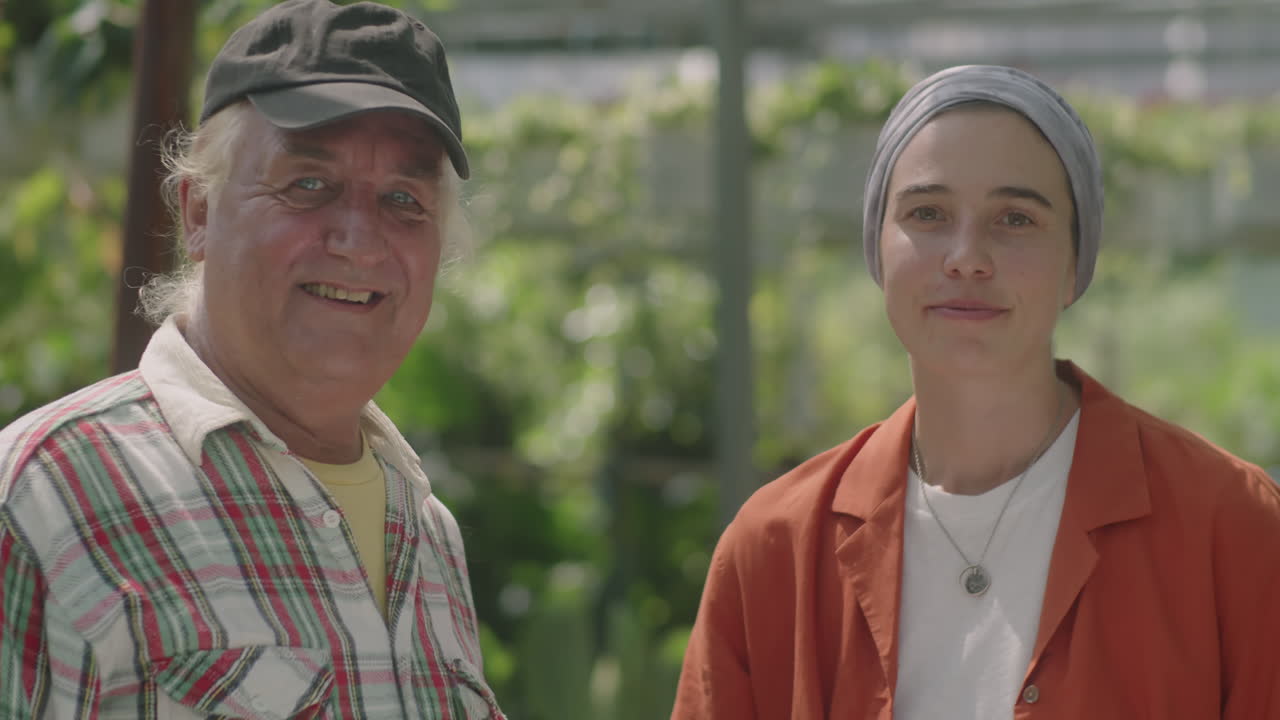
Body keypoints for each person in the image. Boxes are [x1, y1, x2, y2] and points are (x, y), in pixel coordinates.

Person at [672, 65, 1280, 719]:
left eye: (1015, 218)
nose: (967, 256)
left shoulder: (1234, 528)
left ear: (1078, 262)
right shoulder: (773, 549)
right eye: (927, 213)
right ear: (878, 249)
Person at [0, 1, 506, 717]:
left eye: (403, 199)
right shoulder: (46, 497)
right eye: (308, 185)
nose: (359, 241)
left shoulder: (425, 530)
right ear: (198, 211)